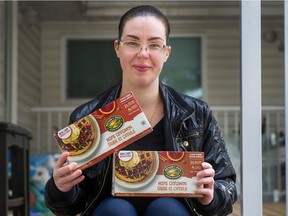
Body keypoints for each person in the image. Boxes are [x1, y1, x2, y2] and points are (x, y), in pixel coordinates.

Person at [44, 5, 237, 216]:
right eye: (132, 42)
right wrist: (61, 188)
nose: (143, 53)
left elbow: (226, 184)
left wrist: (210, 195)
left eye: (154, 45)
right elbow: (74, 204)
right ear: (117, 48)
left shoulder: (196, 114)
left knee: (167, 209)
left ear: (166, 53)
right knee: (116, 210)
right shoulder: (87, 118)